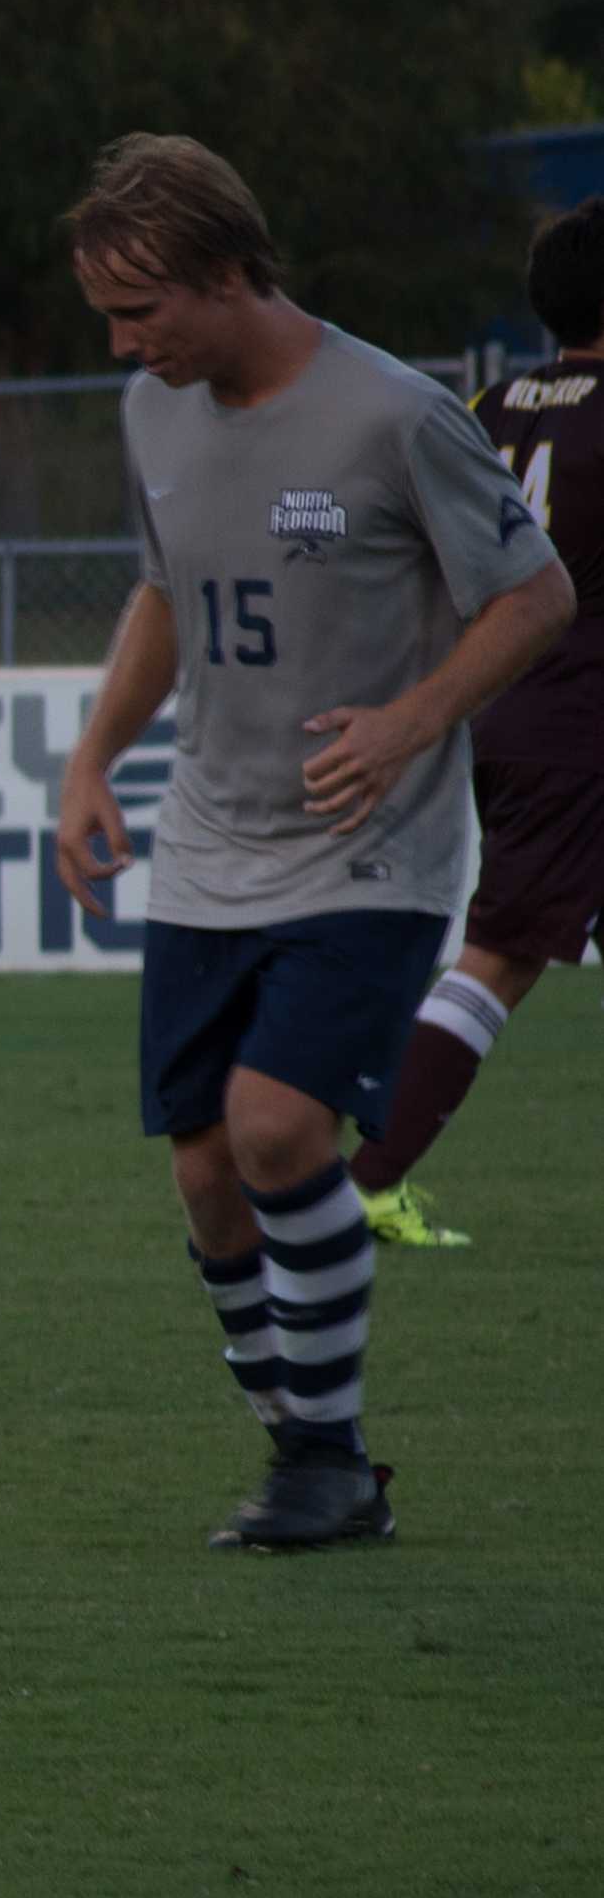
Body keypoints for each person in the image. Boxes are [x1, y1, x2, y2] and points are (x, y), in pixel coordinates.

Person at [51, 134, 577, 1552]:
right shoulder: (150, 412)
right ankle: (304, 1445)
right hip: (205, 845)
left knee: (275, 1126)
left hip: (368, 845)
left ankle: (324, 1456)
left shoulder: (389, 414)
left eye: (140, 308)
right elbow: (163, 593)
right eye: (105, 314)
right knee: (202, 1171)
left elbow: (533, 599)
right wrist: (91, 760)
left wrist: (413, 719)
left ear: (229, 272)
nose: (121, 341)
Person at [342, 195, 604, 1246]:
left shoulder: (489, 405)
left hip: (505, 709)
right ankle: (359, 1180)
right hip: (577, 723)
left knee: (503, 948)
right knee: (495, 955)